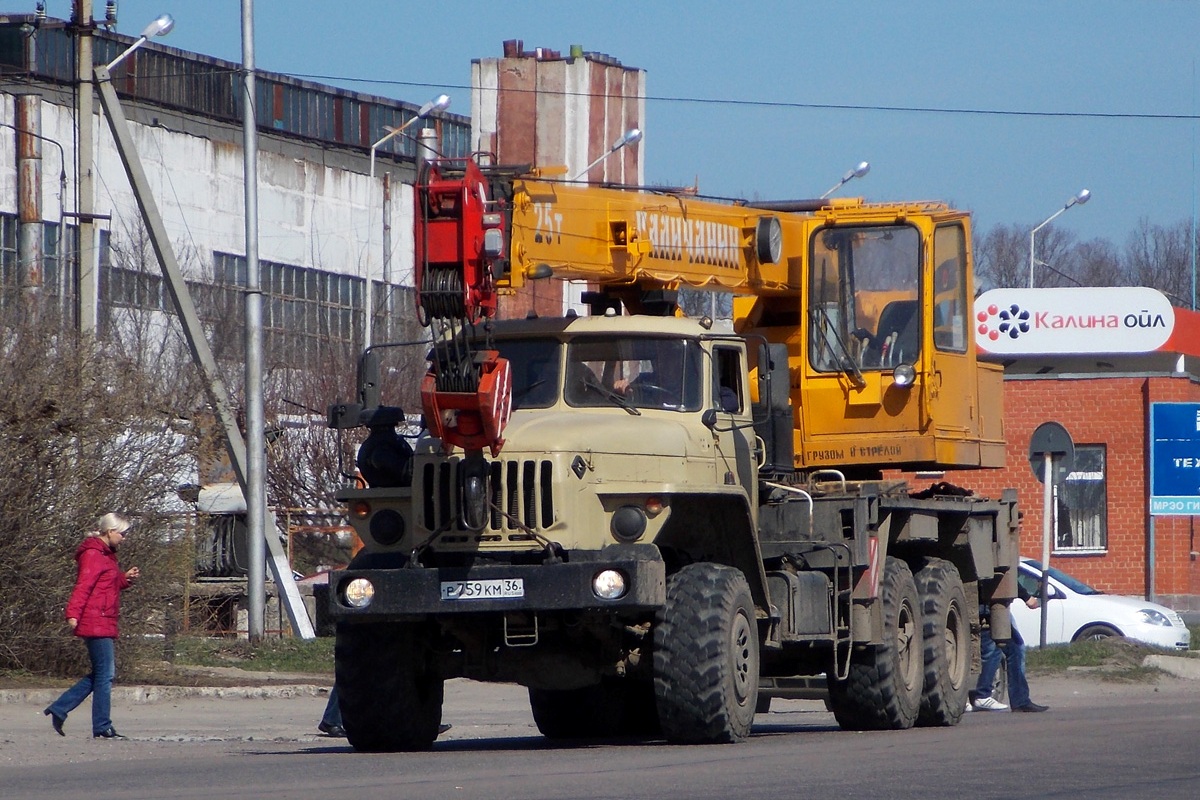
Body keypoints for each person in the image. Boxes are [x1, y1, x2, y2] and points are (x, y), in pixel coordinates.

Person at [44, 513, 140, 738]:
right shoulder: (93, 555)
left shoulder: (107, 556)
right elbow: (83, 585)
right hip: (95, 619)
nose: (124, 538)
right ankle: (102, 725)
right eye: (122, 534)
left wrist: (124, 578)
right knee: (106, 674)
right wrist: (72, 613)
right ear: (109, 532)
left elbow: (108, 585)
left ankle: (61, 708)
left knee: (101, 673)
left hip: (104, 618)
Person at [969, 590, 1049, 713]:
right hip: (990, 606)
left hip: (992, 605)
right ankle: (983, 695)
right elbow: (1005, 574)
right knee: (994, 649)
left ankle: (1020, 701)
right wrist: (1026, 597)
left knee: (1013, 648)